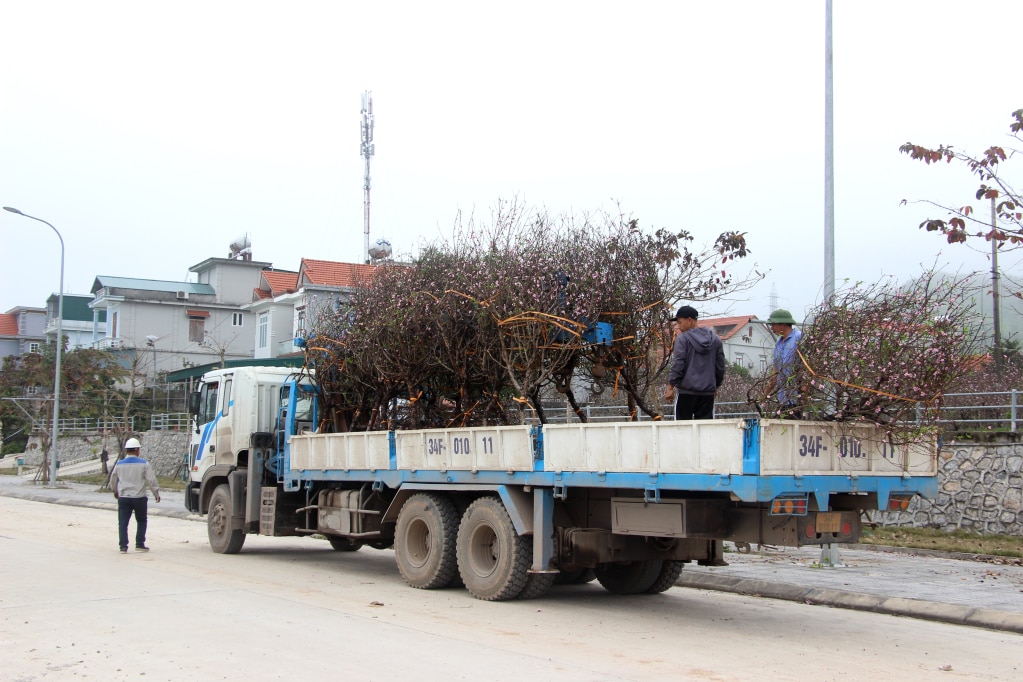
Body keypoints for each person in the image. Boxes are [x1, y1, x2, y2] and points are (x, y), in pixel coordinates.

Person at [664, 305, 726, 420]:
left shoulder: (683, 339)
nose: (678, 326)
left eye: (680, 322)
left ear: (690, 320)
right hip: (707, 393)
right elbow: (720, 367)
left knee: (682, 429)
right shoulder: (715, 340)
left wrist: (671, 386)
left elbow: (678, 364)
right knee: (704, 430)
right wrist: (715, 386)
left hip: (686, 392)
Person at [110, 437, 160, 553]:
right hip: (139, 497)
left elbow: (113, 479)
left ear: (126, 450)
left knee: (123, 522)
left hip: (124, 497)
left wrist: (115, 491)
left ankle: (123, 546)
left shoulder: (119, 464)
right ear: (137, 450)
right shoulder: (144, 464)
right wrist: (156, 493)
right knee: (142, 521)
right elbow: (151, 480)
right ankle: (140, 543)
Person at [767, 309, 803, 414]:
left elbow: (807, 365)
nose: (772, 328)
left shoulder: (798, 337)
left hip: (796, 395)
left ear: (783, 324)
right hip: (782, 398)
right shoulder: (778, 343)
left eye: (773, 324)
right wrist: (765, 393)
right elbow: (775, 371)